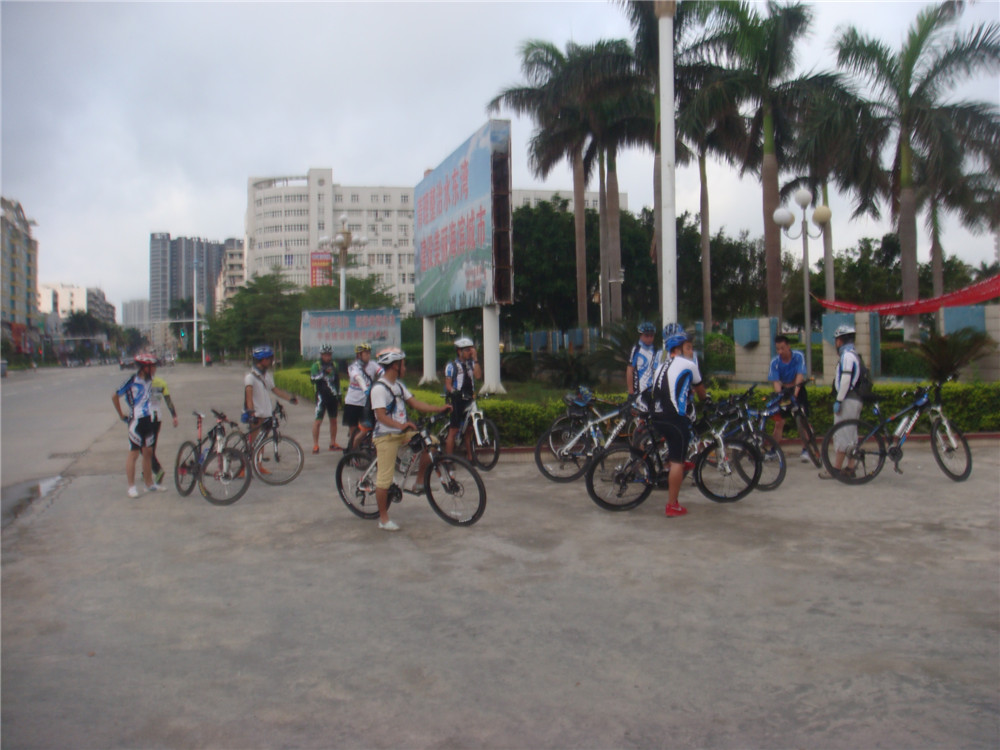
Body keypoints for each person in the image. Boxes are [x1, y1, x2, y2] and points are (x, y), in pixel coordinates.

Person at [370, 347, 450, 532]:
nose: (405, 367)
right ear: (395, 366)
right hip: (385, 436)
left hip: (402, 432)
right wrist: (400, 426)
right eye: (403, 364)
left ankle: (419, 482)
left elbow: (416, 404)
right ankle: (383, 519)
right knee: (384, 480)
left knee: (431, 442)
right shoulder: (379, 389)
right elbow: (380, 416)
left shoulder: (398, 385)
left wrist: (439, 409)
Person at [650, 328, 708, 518]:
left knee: (679, 441)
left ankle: (679, 462)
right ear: (678, 349)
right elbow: (700, 391)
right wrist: (707, 401)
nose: (691, 352)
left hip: (656, 416)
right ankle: (672, 505)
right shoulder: (688, 364)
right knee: (677, 461)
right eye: (688, 348)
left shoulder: (661, 366)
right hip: (674, 419)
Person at [112, 352, 168, 497]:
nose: (155, 369)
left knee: (148, 452)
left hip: (148, 419)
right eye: (153, 367)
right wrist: (121, 414)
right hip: (135, 420)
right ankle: (131, 487)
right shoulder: (132, 380)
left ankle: (149, 484)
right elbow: (115, 396)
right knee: (134, 453)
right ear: (144, 367)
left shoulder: (150, 380)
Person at [819, 324, 864, 479]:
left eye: (836, 340)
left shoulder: (847, 356)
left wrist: (839, 400)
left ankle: (836, 469)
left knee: (842, 434)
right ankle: (850, 468)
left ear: (840, 340)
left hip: (847, 399)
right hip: (855, 399)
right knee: (851, 434)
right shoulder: (854, 354)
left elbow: (845, 380)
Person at [244, 346, 299, 467]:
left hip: (266, 413)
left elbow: (275, 390)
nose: (271, 361)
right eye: (269, 359)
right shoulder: (250, 377)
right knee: (252, 441)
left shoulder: (266, 376)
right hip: (256, 414)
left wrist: (290, 398)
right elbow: (249, 397)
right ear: (263, 360)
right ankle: (244, 466)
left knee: (262, 440)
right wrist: (251, 413)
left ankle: (258, 465)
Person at [768, 334, 810, 462]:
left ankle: (806, 449)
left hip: (798, 389)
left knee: (802, 420)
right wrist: (782, 397)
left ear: (788, 346)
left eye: (782, 348)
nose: (780, 351)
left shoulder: (798, 356)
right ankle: (774, 450)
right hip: (784, 391)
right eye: (778, 349)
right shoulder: (775, 362)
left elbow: (800, 376)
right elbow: (776, 382)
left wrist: (795, 394)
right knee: (779, 422)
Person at [444, 336, 482, 457]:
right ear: (459, 351)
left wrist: (475, 359)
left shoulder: (471, 364)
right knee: (454, 430)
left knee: (469, 430)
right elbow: (448, 384)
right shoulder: (452, 366)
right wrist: (453, 391)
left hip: (469, 398)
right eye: (467, 350)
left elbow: (478, 376)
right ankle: (449, 459)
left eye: (471, 349)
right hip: (457, 400)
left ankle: (470, 458)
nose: (469, 352)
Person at [343, 342, 383, 451]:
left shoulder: (373, 364)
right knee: (353, 429)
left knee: (368, 427)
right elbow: (358, 378)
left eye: (369, 353)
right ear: (359, 355)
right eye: (365, 353)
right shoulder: (353, 367)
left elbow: (383, 373)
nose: (368, 355)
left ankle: (367, 448)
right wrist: (365, 389)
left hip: (367, 403)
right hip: (353, 402)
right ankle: (352, 452)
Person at [149, 364, 179, 485]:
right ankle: (147, 469)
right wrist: (174, 415)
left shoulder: (142, 383)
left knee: (145, 448)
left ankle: (157, 469)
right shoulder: (161, 382)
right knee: (151, 446)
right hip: (157, 418)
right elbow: (168, 400)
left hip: (146, 418)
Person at [310, 344, 342, 454]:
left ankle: (333, 443)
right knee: (318, 421)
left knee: (333, 420)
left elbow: (337, 380)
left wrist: (339, 395)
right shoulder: (316, 365)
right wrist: (323, 372)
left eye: (329, 354)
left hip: (332, 396)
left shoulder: (334, 365)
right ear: (321, 355)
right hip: (321, 397)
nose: (327, 357)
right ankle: (315, 445)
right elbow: (312, 379)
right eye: (325, 355)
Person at [627, 322, 658, 410]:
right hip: (639, 392)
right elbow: (629, 370)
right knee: (641, 415)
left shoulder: (655, 350)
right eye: (646, 336)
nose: (649, 338)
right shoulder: (636, 349)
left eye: (651, 336)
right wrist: (631, 391)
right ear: (641, 335)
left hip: (652, 391)